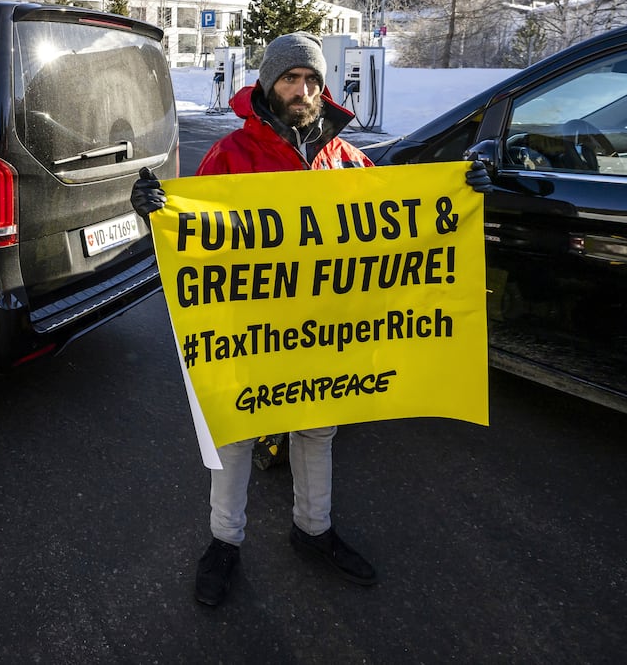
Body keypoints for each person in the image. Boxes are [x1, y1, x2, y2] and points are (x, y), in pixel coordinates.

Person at [130, 31, 491, 607]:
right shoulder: (232, 156)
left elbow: (397, 219)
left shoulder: (345, 159)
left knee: (318, 428)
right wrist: (158, 212)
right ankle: (224, 542)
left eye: (312, 80)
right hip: (248, 330)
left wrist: (461, 192)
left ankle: (313, 531)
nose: (302, 90)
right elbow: (194, 241)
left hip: (325, 329)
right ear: (269, 84)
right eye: (290, 78)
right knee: (238, 433)